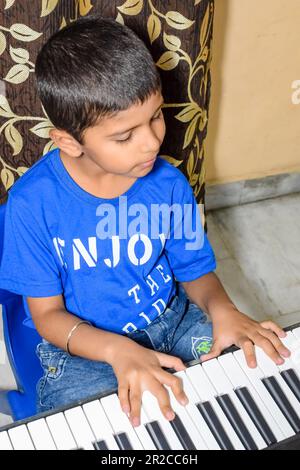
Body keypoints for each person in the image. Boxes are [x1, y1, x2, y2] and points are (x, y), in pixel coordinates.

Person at [0, 15, 290, 428]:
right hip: (86, 351)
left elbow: (195, 269)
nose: (153, 141)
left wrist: (223, 308)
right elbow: (47, 316)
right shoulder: (33, 205)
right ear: (67, 141)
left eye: (156, 116)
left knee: (253, 377)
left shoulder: (167, 183)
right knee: (102, 428)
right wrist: (119, 352)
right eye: (125, 135)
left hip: (173, 323)